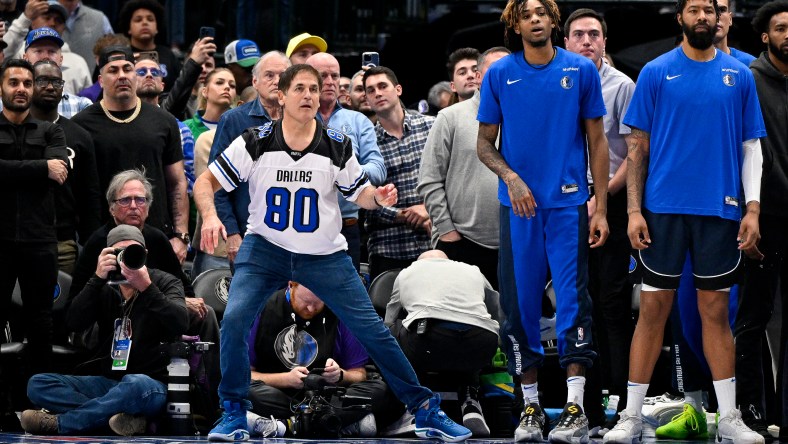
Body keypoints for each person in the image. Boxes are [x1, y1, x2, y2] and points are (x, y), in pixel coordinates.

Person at [193, 63, 471, 443]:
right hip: (265, 249)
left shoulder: (337, 143)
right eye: (300, 88)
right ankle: (234, 412)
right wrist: (210, 216)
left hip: (323, 254)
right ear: (282, 96)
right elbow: (206, 182)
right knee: (236, 319)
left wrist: (380, 198)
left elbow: (361, 194)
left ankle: (424, 409)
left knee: (373, 331)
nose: (309, 95)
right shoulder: (254, 140)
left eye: (314, 88)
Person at [602, 0, 767, 442]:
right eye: (694, 8)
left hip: (720, 208)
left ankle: (729, 418)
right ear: (680, 17)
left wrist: (752, 208)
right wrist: (634, 210)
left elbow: (752, 146)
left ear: (719, 18)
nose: (702, 16)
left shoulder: (739, 76)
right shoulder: (655, 72)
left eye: (710, 9)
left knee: (715, 312)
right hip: (663, 211)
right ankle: (632, 416)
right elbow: (637, 148)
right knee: (653, 310)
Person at [476, 0, 611, 441]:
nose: (534, 19)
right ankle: (529, 409)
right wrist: (511, 177)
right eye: (525, 14)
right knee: (519, 309)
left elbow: (598, 140)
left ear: (554, 20)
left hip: (569, 205)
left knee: (574, 305)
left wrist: (602, 207)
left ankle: (575, 407)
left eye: (541, 12)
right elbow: (484, 144)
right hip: (519, 208)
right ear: (514, 24)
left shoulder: (581, 70)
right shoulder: (499, 73)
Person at [20, 224, 189, 436]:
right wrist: (97, 278)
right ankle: (121, 418)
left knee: (134, 384)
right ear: (108, 255)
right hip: (109, 382)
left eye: (133, 252)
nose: (126, 260)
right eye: (119, 253)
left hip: (151, 384)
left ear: (145, 254)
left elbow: (181, 322)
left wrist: (147, 288)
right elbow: (73, 323)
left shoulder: (165, 281)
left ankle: (61, 424)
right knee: (38, 384)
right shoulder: (104, 286)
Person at [563, 7, 636, 432]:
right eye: (578, 34)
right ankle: (582, 409)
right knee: (575, 307)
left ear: (605, 42)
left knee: (610, 305)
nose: (587, 40)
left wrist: (600, 197)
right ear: (566, 42)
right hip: (562, 205)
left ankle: (624, 407)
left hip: (609, 199)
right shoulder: (555, 80)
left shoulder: (622, 86)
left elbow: (633, 154)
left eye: (594, 34)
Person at [72, 45, 189, 263]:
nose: (122, 75)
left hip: (157, 237)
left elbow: (177, 182)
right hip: (100, 241)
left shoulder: (164, 121)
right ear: (100, 80)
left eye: (127, 69)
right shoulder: (81, 125)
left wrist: (181, 236)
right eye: (113, 70)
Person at [247, 281, 398, 437]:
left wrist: (340, 375)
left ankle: (288, 425)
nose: (311, 309)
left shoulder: (341, 311)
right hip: (279, 395)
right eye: (306, 302)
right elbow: (246, 375)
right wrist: (286, 379)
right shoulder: (260, 309)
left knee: (381, 389)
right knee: (244, 390)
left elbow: (359, 374)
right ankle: (334, 424)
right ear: (291, 285)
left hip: (326, 398)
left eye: (318, 303)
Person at [735, 1, 788, 440]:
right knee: (754, 318)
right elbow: (746, 153)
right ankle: (750, 413)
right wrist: (747, 213)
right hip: (764, 216)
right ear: (765, 36)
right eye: (781, 28)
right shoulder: (749, 81)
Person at [417, 46, 509, 289]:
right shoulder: (450, 117)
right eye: (495, 69)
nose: (503, 74)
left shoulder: (528, 119)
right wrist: (447, 231)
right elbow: (429, 180)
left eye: (509, 69)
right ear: (478, 77)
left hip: (514, 242)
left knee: (511, 322)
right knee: (461, 324)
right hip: (461, 241)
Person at [0, 57, 68, 379]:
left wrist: (12, 171)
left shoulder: (51, 131)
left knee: (41, 321)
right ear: (1, 88)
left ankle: (38, 398)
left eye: (28, 83)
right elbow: (49, 169)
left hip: (40, 240)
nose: (22, 89)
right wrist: (41, 168)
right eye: (14, 83)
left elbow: (60, 172)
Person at [386, 249, 500, 437]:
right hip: (483, 343)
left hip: (429, 341)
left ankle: (412, 407)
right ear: (448, 261)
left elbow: (389, 317)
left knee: (392, 331)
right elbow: (495, 305)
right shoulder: (472, 270)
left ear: (418, 262)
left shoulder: (407, 272)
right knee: (469, 331)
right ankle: (470, 401)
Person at [206, 50, 289, 265]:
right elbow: (217, 183)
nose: (277, 81)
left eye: (283, 75)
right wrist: (232, 233)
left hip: (295, 239)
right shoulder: (234, 120)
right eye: (269, 75)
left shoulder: (308, 119)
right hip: (248, 236)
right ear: (255, 81)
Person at [305, 52, 385, 270]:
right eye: (323, 76)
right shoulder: (293, 119)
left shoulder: (357, 120)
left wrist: (343, 172)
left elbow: (378, 169)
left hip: (346, 227)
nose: (331, 82)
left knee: (344, 301)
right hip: (301, 225)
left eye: (335, 76)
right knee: (300, 300)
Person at [29, 60, 100, 275]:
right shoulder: (14, 130)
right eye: (42, 80)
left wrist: (91, 244)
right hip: (17, 239)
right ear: (29, 84)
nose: (50, 87)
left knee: (62, 304)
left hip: (64, 242)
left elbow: (90, 194)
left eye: (56, 82)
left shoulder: (79, 135)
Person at [363, 66, 434, 280]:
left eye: (383, 86)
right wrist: (405, 215)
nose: (377, 93)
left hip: (434, 242)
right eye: (371, 90)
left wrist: (428, 208)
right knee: (388, 313)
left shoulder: (433, 126)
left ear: (398, 89)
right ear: (367, 99)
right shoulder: (366, 143)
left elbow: (453, 180)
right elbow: (362, 199)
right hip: (388, 249)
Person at [21, 26, 92, 118]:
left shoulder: (82, 106)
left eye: (52, 51)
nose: (45, 57)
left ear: (61, 59)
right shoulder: (5, 106)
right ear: (25, 58)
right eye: (38, 51)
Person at [117, 0, 179, 91]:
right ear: (128, 28)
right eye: (138, 20)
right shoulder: (122, 56)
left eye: (150, 19)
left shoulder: (168, 55)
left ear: (157, 28)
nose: (145, 23)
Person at [57, 0, 115, 73]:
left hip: (91, 81)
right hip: (48, 82)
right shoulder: (40, 15)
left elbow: (114, 53)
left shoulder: (100, 18)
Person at [185, 67, 236, 142]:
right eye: (219, 82)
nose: (227, 87)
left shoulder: (241, 129)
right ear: (205, 92)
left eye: (232, 85)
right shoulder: (186, 127)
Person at [715, 0, 757, 65]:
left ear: (730, 19)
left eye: (722, 10)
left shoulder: (750, 64)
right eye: (708, 11)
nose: (716, 17)